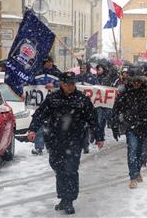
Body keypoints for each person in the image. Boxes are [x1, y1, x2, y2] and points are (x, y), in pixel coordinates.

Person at [27, 71, 105, 215]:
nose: (71, 86)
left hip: (74, 140)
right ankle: (63, 197)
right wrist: (32, 129)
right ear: (61, 84)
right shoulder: (53, 99)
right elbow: (40, 114)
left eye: (73, 84)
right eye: (68, 84)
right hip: (55, 140)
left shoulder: (82, 99)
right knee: (59, 168)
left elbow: (93, 119)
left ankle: (69, 200)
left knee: (70, 169)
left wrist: (99, 136)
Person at [112, 67, 147, 189]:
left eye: (138, 81)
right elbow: (116, 108)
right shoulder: (125, 91)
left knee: (142, 153)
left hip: (145, 125)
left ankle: (137, 171)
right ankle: (133, 176)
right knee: (132, 150)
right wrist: (115, 125)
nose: (136, 83)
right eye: (134, 81)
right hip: (130, 125)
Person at [31, 55, 62, 155]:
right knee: (39, 124)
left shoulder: (57, 73)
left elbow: (64, 84)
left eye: (51, 62)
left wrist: (55, 85)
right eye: (48, 62)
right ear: (44, 63)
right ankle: (39, 147)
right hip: (40, 104)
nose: (50, 64)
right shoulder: (37, 72)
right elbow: (30, 83)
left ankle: (51, 146)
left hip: (54, 104)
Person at [75, 62, 99, 154]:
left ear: (87, 69)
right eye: (81, 68)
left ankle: (85, 145)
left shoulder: (92, 78)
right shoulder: (76, 77)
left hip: (88, 106)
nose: (82, 70)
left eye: (84, 68)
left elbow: (97, 89)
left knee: (86, 127)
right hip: (77, 106)